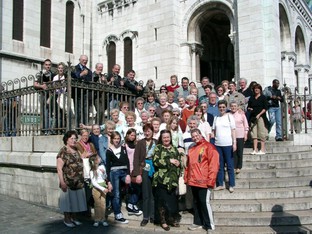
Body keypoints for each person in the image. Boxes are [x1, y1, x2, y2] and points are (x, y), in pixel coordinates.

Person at [185, 129, 219, 232]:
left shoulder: (209, 147)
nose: (195, 137)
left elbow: (214, 165)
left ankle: (209, 225)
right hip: (193, 180)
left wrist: (211, 180)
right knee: (196, 202)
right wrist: (187, 177)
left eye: (197, 135)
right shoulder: (192, 148)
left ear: (200, 134)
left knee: (204, 202)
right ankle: (198, 222)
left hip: (204, 181)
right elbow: (189, 165)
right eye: (193, 136)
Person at [153, 130, 182, 231]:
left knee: (172, 201)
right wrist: (168, 161)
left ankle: (171, 218)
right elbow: (156, 162)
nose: (166, 139)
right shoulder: (158, 148)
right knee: (162, 202)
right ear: (161, 138)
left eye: (168, 137)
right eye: (164, 137)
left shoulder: (174, 149)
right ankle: (163, 221)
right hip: (161, 179)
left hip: (173, 180)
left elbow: (180, 162)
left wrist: (179, 164)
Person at [56, 130, 87, 227]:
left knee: (76, 200)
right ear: (66, 140)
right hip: (68, 181)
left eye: (75, 138)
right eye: (71, 138)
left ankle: (74, 217)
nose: (74, 140)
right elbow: (59, 168)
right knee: (67, 201)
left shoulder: (76, 150)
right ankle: (67, 219)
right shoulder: (63, 151)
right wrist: (62, 182)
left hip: (78, 181)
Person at [132, 123, 157, 226]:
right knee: (146, 193)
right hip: (144, 168)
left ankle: (153, 216)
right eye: (145, 131)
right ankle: (146, 217)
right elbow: (136, 158)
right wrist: (137, 173)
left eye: (149, 131)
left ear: (152, 131)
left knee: (153, 194)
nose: (147, 133)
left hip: (155, 168)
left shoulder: (157, 142)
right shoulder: (140, 143)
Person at [106, 131, 131, 224]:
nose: (117, 140)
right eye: (115, 138)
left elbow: (127, 162)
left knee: (132, 184)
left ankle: (131, 205)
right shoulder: (109, 151)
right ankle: (117, 214)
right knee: (116, 193)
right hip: (114, 173)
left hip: (124, 172)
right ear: (112, 139)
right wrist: (108, 180)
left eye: (118, 138)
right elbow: (108, 166)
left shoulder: (123, 148)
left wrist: (128, 174)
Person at [212, 100, 236, 193]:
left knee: (229, 166)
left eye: (223, 107)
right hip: (218, 145)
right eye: (220, 107)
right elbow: (213, 131)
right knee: (220, 165)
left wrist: (234, 143)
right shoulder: (216, 118)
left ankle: (231, 184)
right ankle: (220, 184)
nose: (222, 109)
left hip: (228, 144)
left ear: (226, 107)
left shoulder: (230, 117)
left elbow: (233, 130)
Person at [76, 129, 97, 216]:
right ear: (81, 136)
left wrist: (90, 155)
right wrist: (83, 156)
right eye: (84, 135)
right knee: (84, 190)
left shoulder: (91, 144)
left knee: (90, 189)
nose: (85, 137)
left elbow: (95, 154)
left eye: (87, 136)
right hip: (83, 170)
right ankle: (83, 210)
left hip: (91, 168)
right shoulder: (77, 145)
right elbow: (77, 156)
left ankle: (88, 207)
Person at [89, 154, 112, 227]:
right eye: (98, 158)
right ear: (95, 161)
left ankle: (103, 219)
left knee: (103, 203)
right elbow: (94, 182)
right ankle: (97, 219)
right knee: (97, 204)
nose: (100, 158)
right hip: (97, 188)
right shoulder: (92, 170)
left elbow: (105, 177)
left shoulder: (102, 167)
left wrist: (103, 173)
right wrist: (103, 189)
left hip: (103, 185)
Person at [124, 129, 143, 216]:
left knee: (137, 187)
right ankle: (131, 205)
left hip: (135, 168)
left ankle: (132, 204)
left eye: (134, 135)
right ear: (127, 135)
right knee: (131, 187)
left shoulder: (137, 144)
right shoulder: (124, 145)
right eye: (131, 135)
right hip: (128, 168)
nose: (132, 137)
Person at [34, 59, 55, 135]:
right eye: (46, 64)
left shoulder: (53, 75)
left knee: (50, 113)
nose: (48, 66)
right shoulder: (40, 74)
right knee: (44, 112)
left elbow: (54, 86)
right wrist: (42, 86)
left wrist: (50, 97)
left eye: (49, 65)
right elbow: (35, 84)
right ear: (44, 65)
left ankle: (48, 130)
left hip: (51, 96)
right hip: (42, 95)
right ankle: (44, 130)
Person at [247, 84, 269, 155]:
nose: (256, 90)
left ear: (260, 90)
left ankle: (262, 149)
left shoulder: (263, 97)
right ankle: (255, 149)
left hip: (261, 117)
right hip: (253, 117)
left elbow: (265, 108)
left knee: (261, 133)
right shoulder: (252, 98)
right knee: (254, 133)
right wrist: (249, 109)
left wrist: (259, 114)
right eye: (255, 89)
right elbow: (248, 106)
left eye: (258, 88)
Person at [71, 55, 92, 126]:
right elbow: (73, 76)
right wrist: (81, 74)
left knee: (85, 111)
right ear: (79, 60)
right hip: (77, 92)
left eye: (86, 60)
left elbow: (90, 80)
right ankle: (78, 127)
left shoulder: (89, 71)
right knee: (78, 110)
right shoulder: (74, 68)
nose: (85, 61)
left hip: (86, 93)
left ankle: (85, 127)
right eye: (83, 60)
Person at [230, 101, 249, 174]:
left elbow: (246, 125)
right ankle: (234, 166)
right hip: (231, 136)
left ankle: (239, 166)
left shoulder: (241, 114)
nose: (233, 107)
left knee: (240, 151)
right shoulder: (229, 115)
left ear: (238, 107)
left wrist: (246, 134)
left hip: (240, 135)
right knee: (233, 151)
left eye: (235, 106)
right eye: (232, 106)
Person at [52, 62, 66, 132]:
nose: (60, 69)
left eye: (62, 68)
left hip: (63, 96)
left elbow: (65, 88)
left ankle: (63, 128)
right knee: (57, 113)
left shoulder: (65, 77)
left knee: (64, 112)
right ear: (57, 69)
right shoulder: (55, 77)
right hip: (57, 95)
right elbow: (54, 86)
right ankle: (57, 128)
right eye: (59, 68)